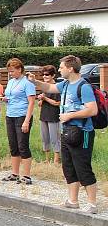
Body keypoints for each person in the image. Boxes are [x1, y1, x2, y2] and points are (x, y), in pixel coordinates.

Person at [29, 55, 100, 214]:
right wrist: (35, 82)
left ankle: (92, 204)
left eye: (61, 67)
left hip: (83, 132)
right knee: (68, 167)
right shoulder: (66, 85)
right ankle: (72, 201)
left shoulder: (84, 86)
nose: (59, 69)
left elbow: (92, 110)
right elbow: (48, 88)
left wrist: (70, 116)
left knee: (83, 167)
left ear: (70, 68)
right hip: (67, 132)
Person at [2, 58, 36, 185]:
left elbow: (31, 102)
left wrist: (26, 121)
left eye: (12, 71)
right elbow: (11, 96)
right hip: (10, 115)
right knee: (13, 145)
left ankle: (26, 175)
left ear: (20, 69)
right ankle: (15, 173)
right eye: (9, 71)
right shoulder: (11, 82)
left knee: (23, 145)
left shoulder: (27, 83)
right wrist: (6, 99)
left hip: (22, 115)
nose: (10, 73)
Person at [37, 65, 61, 164]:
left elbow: (57, 103)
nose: (44, 77)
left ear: (53, 75)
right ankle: (47, 159)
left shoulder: (57, 87)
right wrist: (41, 101)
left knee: (55, 138)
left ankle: (56, 160)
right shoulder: (45, 87)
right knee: (45, 138)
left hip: (54, 116)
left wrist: (45, 99)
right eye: (43, 75)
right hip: (44, 116)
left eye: (47, 75)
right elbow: (45, 101)